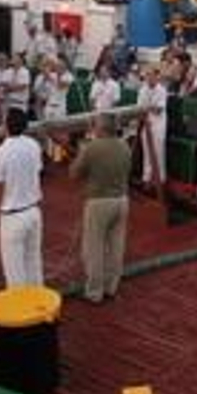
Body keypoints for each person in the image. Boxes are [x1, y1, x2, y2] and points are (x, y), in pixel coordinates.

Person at [70, 112, 133, 303]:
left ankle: (94, 292)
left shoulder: (92, 148)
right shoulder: (124, 146)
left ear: (100, 128)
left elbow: (73, 174)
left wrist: (83, 150)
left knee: (94, 248)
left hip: (99, 202)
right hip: (121, 200)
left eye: (95, 125)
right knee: (116, 246)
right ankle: (111, 287)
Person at [0, 108, 44, 287]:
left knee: (15, 272)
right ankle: (39, 306)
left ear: (6, 126)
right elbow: (36, 172)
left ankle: (21, 311)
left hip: (12, 216)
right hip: (33, 211)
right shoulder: (34, 145)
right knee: (34, 263)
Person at [136, 67, 169, 192]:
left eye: (151, 75)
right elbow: (139, 108)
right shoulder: (143, 89)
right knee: (147, 151)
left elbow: (159, 109)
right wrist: (147, 109)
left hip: (158, 124)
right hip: (146, 123)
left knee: (158, 151)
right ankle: (146, 178)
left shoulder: (162, 90)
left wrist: (147, 108)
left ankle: (159, 180)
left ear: (157, 76)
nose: (149, 78)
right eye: (147, 75)